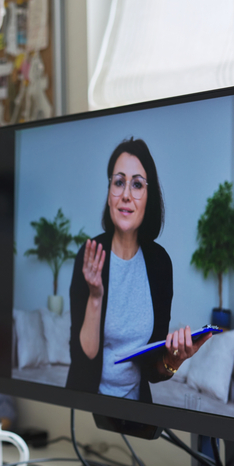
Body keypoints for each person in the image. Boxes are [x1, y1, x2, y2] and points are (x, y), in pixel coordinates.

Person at [67, 137, 211, 400]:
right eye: (118, 182)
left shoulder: (160, 264)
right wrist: (95, 296)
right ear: (109, 194)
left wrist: (173, 360)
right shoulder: (90, 256)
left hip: (136, 406)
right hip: (89, 405)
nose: (126, 195)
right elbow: (83, 357)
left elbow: (153, 370)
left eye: (136, 185)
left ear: (149, 197)